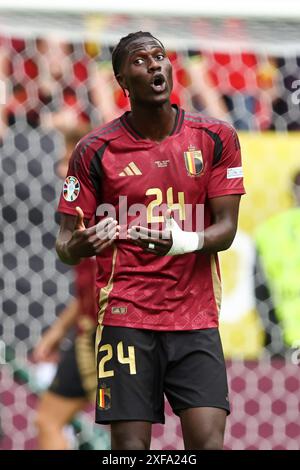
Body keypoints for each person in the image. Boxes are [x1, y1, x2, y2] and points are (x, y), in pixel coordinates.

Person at [56, 31, 245, 450]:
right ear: (122, 80)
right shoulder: (94, 150)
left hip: (194, 318)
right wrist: (86, 242)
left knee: (209, 444)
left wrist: (180, 241)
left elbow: (226, 230)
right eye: (140, 61)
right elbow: (64, 244)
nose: (155, 65)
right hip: (126, 315)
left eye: (160, 57)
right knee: (128, 450)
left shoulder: (215, 137)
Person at [34, 129, 98, 450]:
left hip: (105, 335)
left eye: (66, 161)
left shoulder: (96, 211)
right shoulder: (81, 212)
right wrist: (59, 330)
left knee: (50, 421)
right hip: (96, 330)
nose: (60, 170)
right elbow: (88, 289)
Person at [254, 170, 300, 357]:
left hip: (282, 341)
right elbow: (260, 290)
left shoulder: (269, 230)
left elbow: (259, 292)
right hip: (282, 339)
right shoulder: (269, 232)